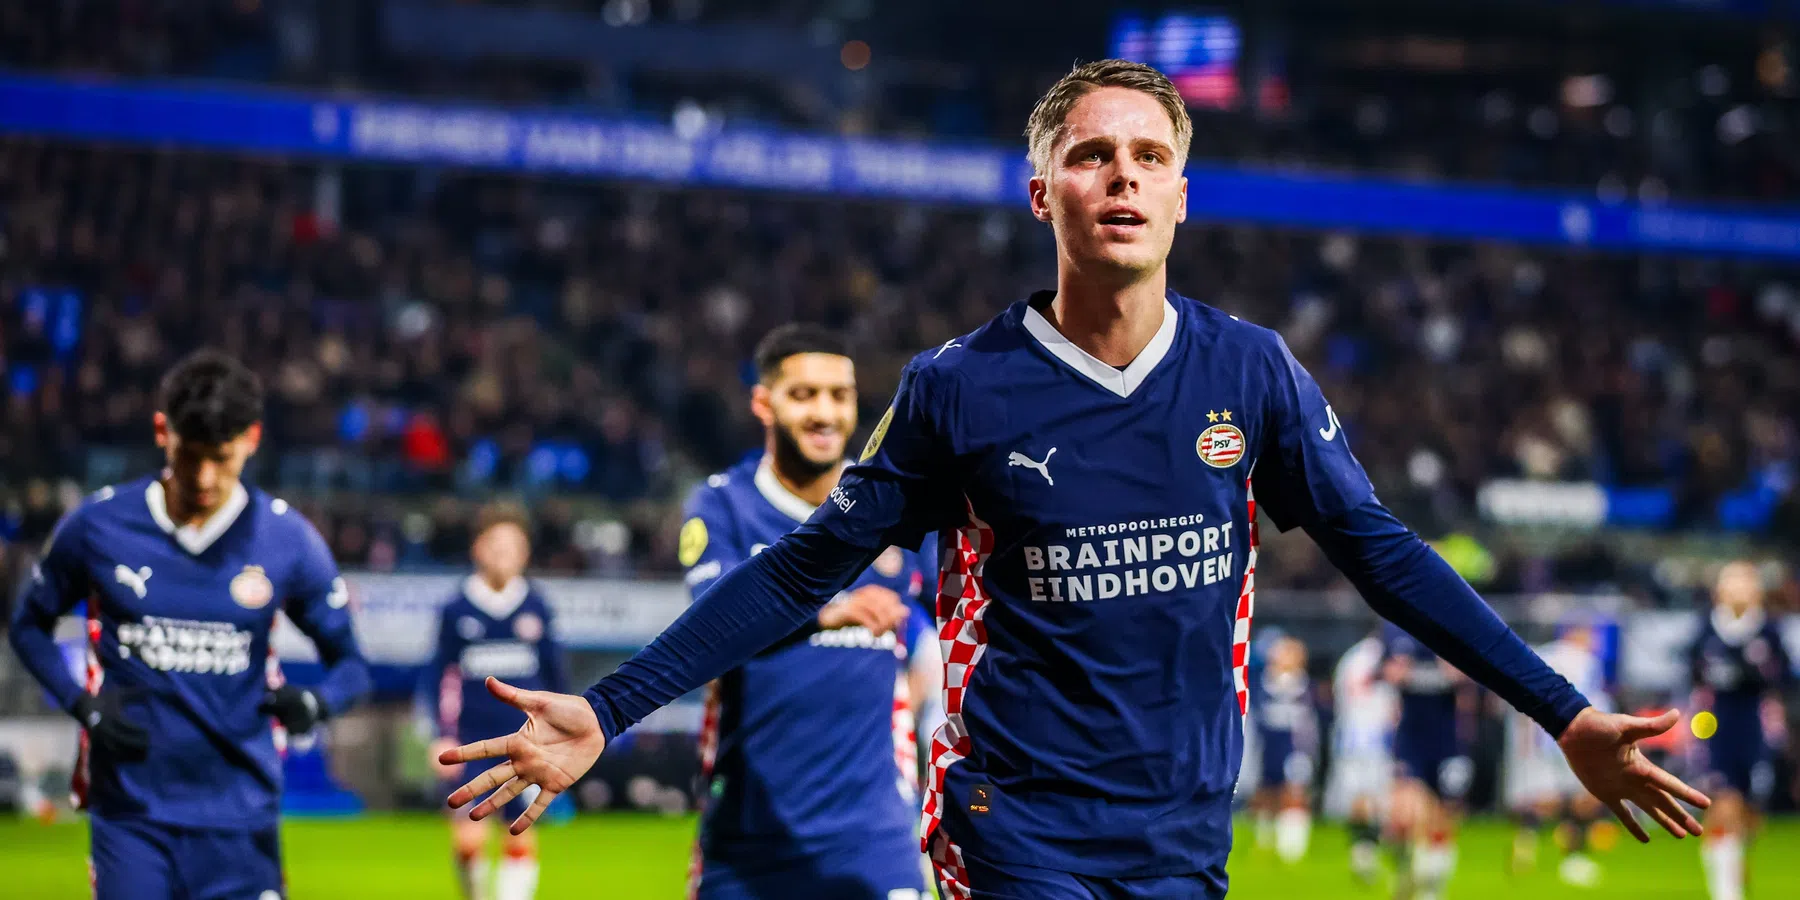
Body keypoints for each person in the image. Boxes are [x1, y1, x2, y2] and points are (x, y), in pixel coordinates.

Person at [440, 59, 1709, 900]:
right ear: (1041, 191)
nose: (1123, 177)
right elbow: (798, 570)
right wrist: (610, 709)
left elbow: (1382, 553)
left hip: (1184, 826)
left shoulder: (1250, 370)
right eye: (1094, 155)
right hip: (1014, 818)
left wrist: (1561, 713)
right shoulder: (959, 387)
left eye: (1149, 156)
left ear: (1183, 195)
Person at [8, 349, 370, 900]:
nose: (203, 477)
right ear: (163, 432)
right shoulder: (100, 525)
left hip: (241, 814)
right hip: (132, 811)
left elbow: (353, 666)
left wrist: (317, 703)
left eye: (220, 458)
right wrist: (81, 704)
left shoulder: (286, 540)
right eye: (190, 455)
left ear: (251, 439)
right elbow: (28, 625)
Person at [678, 324, 939, 899]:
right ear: (763, 403)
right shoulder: (723, 506)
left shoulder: (895, 507)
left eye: (839, 395)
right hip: (749, 841)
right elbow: (712, 628)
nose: (824, 413)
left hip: (876, 839)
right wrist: (829, 612)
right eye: (804, 395)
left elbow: (953, 624)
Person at [426, 504, 568, 900]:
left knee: (519, 832)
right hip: (471, 740)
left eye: (513, 546)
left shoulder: (536, 605)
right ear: (478, 548)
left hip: (525, 741)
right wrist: (440, 735)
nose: (504, 554)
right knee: (468, 840)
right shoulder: (457, 608)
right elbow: (439, 676)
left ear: (525, 553)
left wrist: (560, 733)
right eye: (496, 545)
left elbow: (555, 677)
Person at [1687, 561, 1793, 900]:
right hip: (1717, 725)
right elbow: (1692, 671)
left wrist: (1756, 673)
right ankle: (1726, 891)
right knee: (1725, 800)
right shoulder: (1707, 628)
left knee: (1750, 813)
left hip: (1756, 727)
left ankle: (1727, 859)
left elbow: (1784, 677)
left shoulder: (1768, 631)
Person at [1501, 623, 1613, 887]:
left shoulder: (1542, 654)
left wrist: (1525, 740)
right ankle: (1574, 859)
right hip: (1573, 737)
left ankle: (1526, 844)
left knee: (1545, 799)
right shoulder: (1585, 661)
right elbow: (1593, 702)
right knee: (1582, 798)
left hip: (1541, 738)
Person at [1381, 621, 1476, 900]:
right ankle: (1405, 869)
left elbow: (1465, 680)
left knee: (1442, 815)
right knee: (1404, 814)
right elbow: (1390, 674)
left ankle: (1431, 886)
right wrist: (1403, 665)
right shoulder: (1399, 634)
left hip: (1445, 742)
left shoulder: (1452, 637)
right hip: (1410, 741)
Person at [1324, 627, 1396, 884]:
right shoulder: (1381, 655)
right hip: (1374, 734)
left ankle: (1362, 851)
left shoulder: (1351, 657)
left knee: (1361, 796)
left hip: (1352, 734)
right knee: (1371, 796)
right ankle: (1365, 849)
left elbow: (1337, 695)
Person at [1248, 635, 1318, 865]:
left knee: (1294, 790)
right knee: (1266, 790)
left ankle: (1291, 847)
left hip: (1295, 745)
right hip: (1268, 743)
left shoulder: (1304, 684)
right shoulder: (1263, 681)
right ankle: (1264, 839)